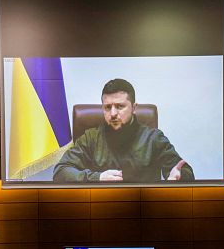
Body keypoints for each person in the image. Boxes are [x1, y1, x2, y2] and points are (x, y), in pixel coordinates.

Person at [53, 78, 195, 183]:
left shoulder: (153, 138)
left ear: (134, 108)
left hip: (144, 206)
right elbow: (61, 171)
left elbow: (183, 170)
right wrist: (97, 177)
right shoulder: (91, 138)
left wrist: (180, 177)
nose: (113, 113)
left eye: (120, 106)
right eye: (107, 107)